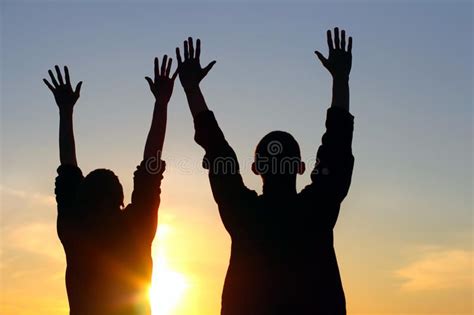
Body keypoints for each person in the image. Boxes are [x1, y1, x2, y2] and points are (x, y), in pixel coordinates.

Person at [176, 28, 354, 315]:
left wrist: (192, 89)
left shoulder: (244, 215)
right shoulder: (317, 210)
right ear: (299, 167)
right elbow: (337, 145)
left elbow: (217, 149)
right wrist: (341, 79)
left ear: (256, 167)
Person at [43, 55, 177, 315]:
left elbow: (68, 165)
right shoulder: (135, 228)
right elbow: (151, 165)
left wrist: (65, 111)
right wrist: (161, 103)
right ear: (120, 200)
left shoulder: (75, 230)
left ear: (83, 200)